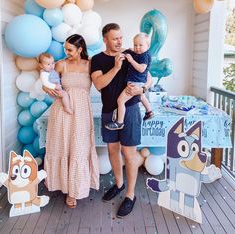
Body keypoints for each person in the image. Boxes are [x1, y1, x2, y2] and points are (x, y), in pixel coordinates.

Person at [91, 23, 152, 218]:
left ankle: (130, 195)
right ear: (105, 39)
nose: (119, 41)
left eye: (120, 37)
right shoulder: (98, 60)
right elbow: (99, 84)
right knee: (112, 149)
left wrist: (143, 89)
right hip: (109, 111)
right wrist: (117, 67)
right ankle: (119, 184)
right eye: (115, 38)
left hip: (131, 109)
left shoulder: (130, 54)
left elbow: (148, 77)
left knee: (129, 152)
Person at [43, 34, 99, 209]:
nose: (66, 52)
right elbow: (47, 82)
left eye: (70, 49)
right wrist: (45, 87)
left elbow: (101, 83)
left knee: (78, 148)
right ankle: (66, 188)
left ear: (80, 49)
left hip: (81, 112)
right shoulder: (61, 64)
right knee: (63, 146)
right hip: (62, 111)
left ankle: (75, 189)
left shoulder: (91, 64)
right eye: (65, 49)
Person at [105, 32, 154, 130]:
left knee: (120, 100)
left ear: (148, 46)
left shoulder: (144, 56)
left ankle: (119, 122)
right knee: (141, 97)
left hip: (135, 83)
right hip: (138, 83)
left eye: (140, 45)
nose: (137, 47)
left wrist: (131, 60)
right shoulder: (138, 53)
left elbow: (141, 69)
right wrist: (129, 51)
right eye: (135, 45)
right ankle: (149, 112)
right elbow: (127, 51)